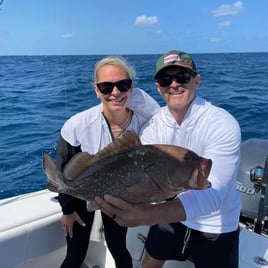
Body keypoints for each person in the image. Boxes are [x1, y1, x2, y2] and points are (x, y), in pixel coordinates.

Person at [93, 50, 241, 268]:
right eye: (165, 79)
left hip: (216, 224)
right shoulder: (152, 126)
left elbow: (214, 194)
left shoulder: (222, 123)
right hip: (170, 214)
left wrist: (145, 215)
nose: (173, 84)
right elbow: (141, 178)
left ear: (197, 80)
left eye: (182, 77)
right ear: (158, 87)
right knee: (150, 262)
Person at [56, 55, 160, 268]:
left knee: (120, 250)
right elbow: (63, 172)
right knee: (75, 255)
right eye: (106, 87)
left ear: (132, 87)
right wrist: (67, 210)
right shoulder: (77, 125)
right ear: (96, 90)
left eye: (123, 85)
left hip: (120, 196)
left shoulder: (148, 123)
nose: (115, 92)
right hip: (80, 195)